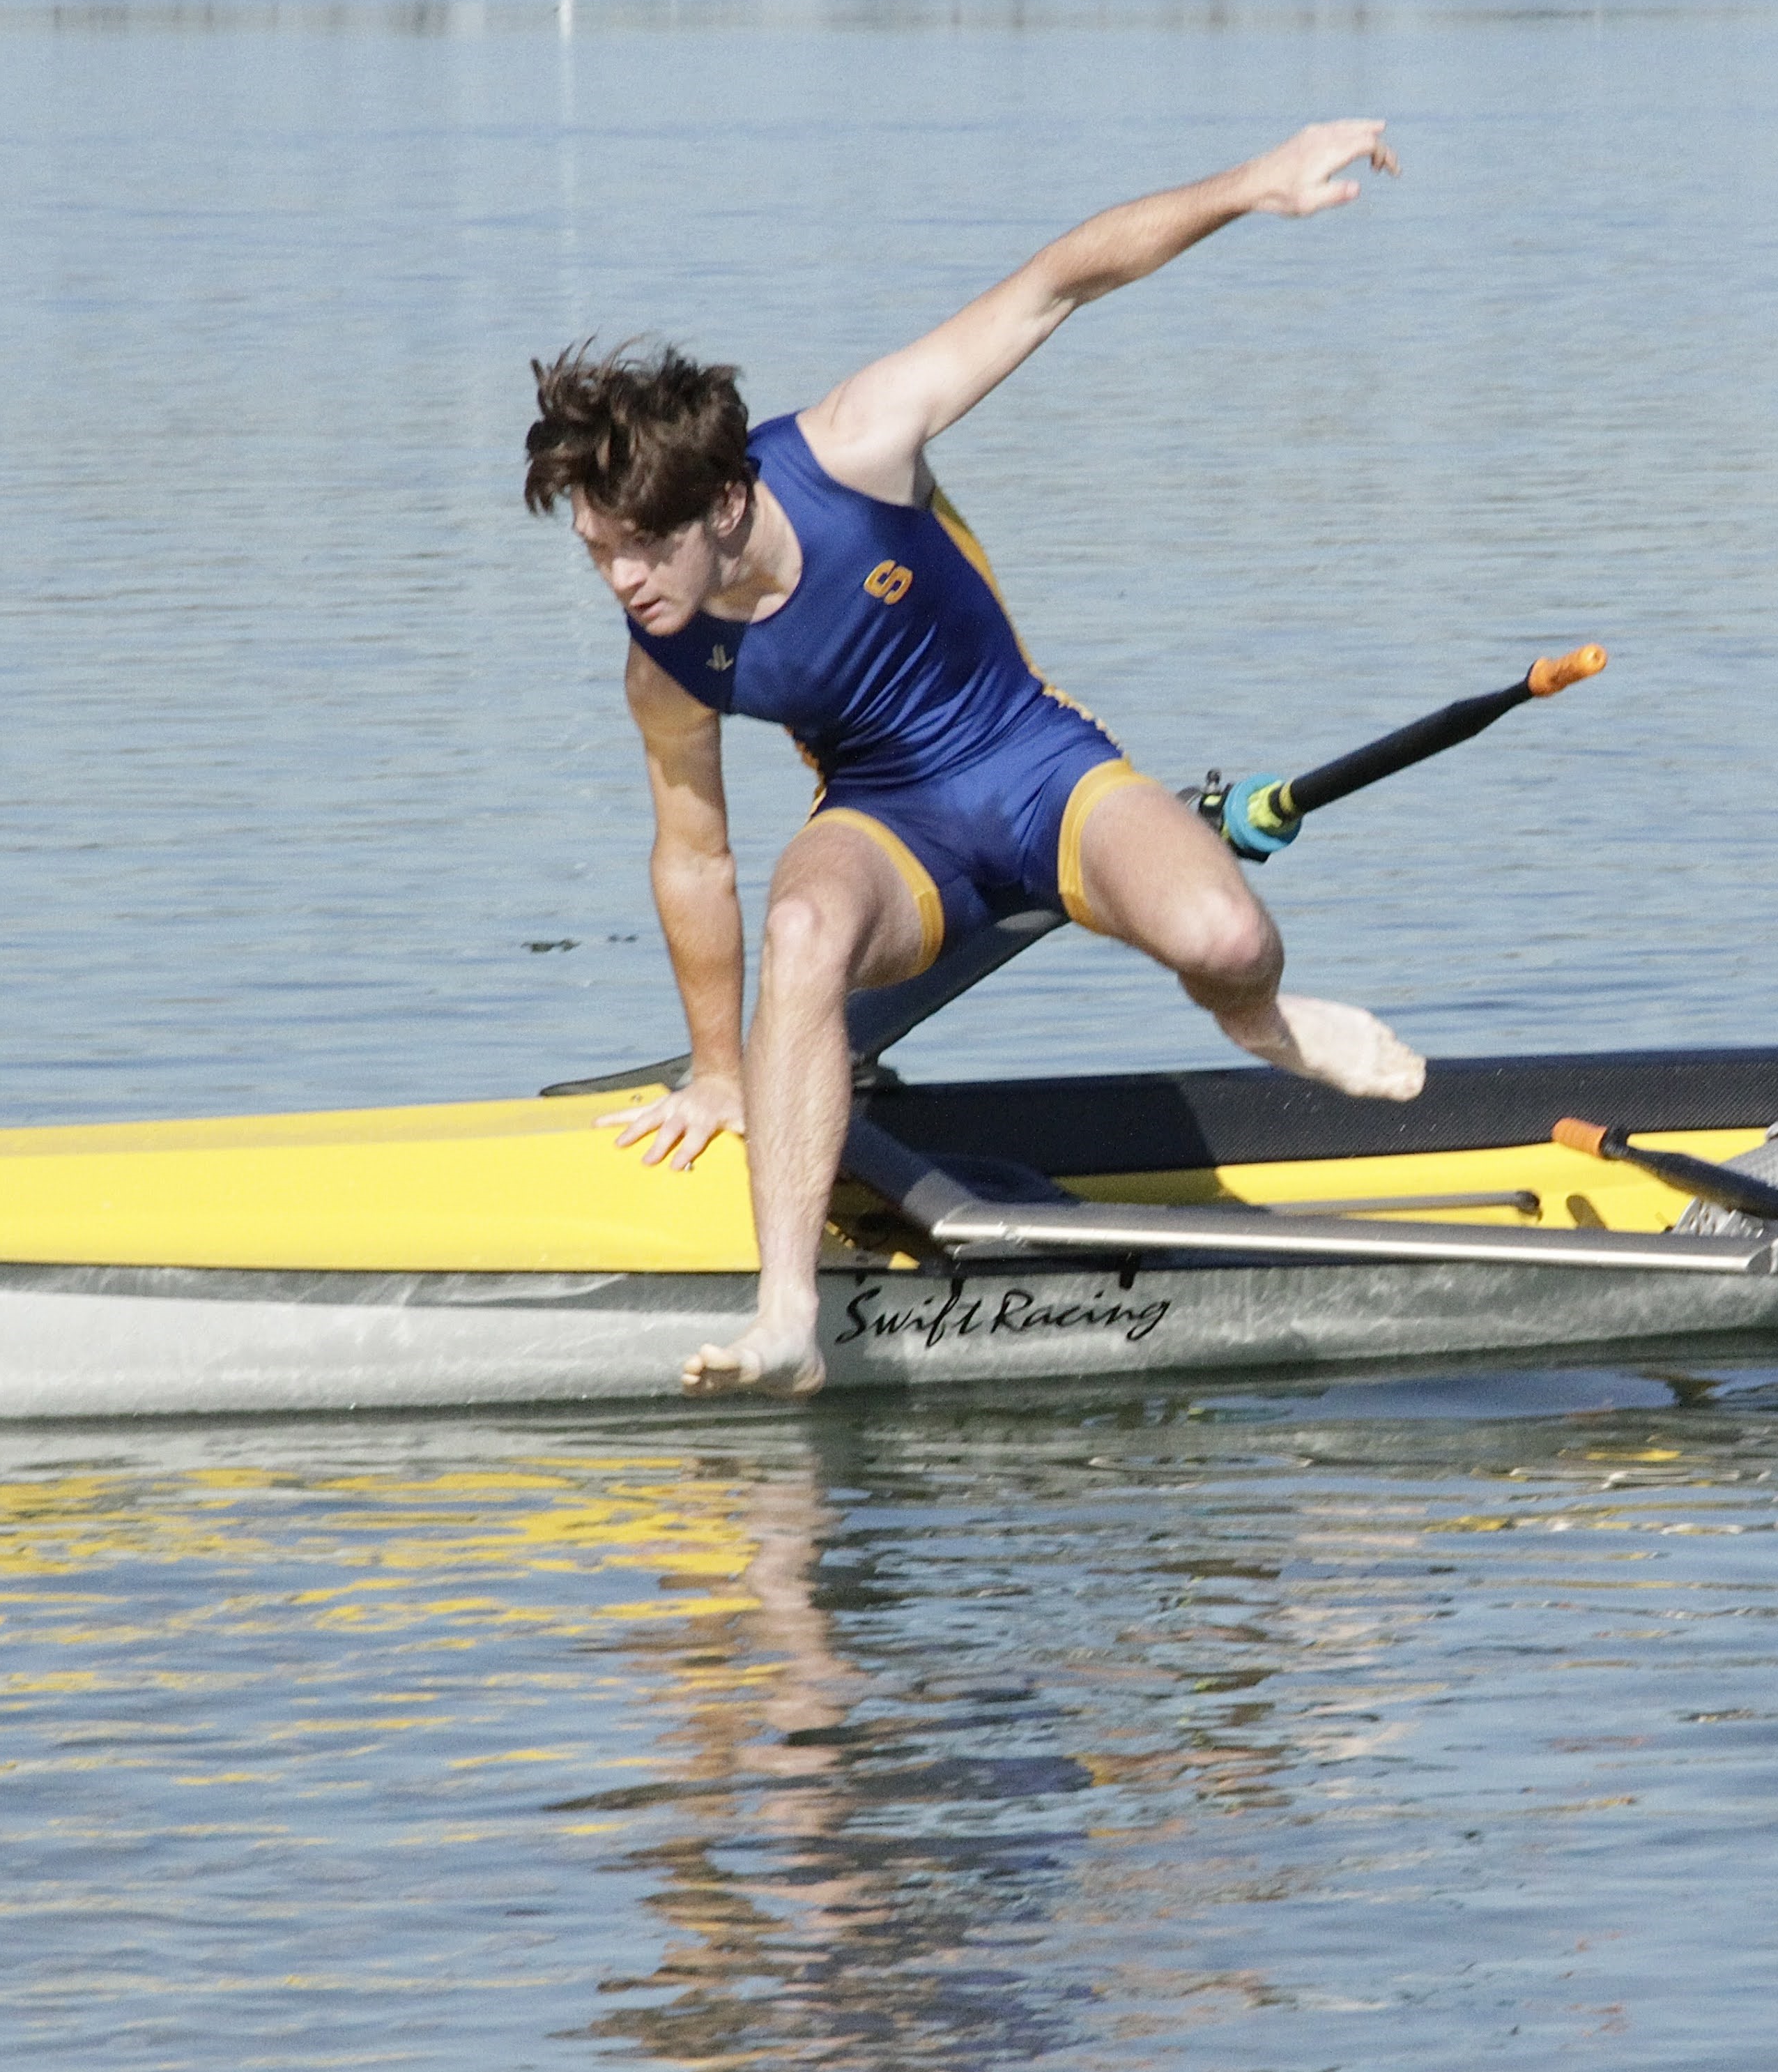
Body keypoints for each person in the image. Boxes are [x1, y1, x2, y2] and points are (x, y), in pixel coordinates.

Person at [525, 120, 1425, 1400]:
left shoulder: (857, 444)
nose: (619, 582)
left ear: (720, 507)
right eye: (594, 553)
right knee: (800, 926)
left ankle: (1264, 1028)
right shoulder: (662, 660)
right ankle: (785, 1310)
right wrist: (716, 1068)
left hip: (1036, 766)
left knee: (1226, 938)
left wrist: (1253, 187)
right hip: (890, 829)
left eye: (638, 551)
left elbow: (1062, 280)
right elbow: (691, 853)